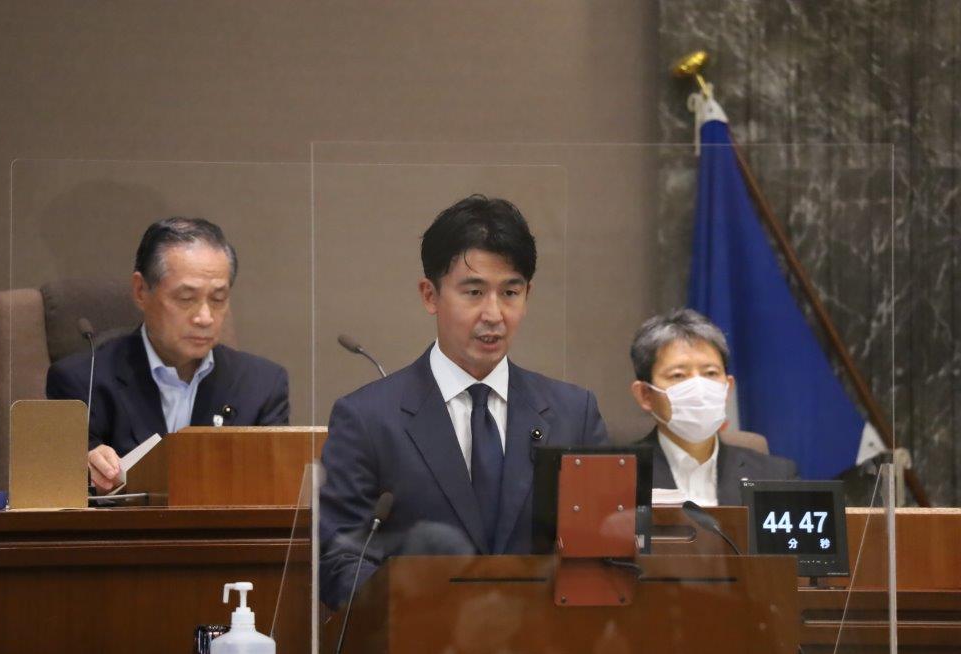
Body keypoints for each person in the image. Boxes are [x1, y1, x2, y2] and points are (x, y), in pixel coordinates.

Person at [319, 195, 610, 609]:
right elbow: (339, 560)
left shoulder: (573, 415)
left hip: (540, 642)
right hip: (420, 641)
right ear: (430, 295)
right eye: (474, 292)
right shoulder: (367, 419)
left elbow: (605, 557)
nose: (493, 314)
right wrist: (432, 619)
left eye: (510, 292)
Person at [46, 217, 290, 493]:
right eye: (186, 298)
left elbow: (278, 493)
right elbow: (57, 494)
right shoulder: (83, 383)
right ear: (141, 291)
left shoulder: (262, 386)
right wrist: (84, 473)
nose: (205, 317)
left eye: (218, 299)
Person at [628, 308, 796, 506]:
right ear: (645, 394)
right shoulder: (619, 476)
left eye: (710, 373)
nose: (699, 388)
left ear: (728, 388)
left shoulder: (775, 477)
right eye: (678, 375)